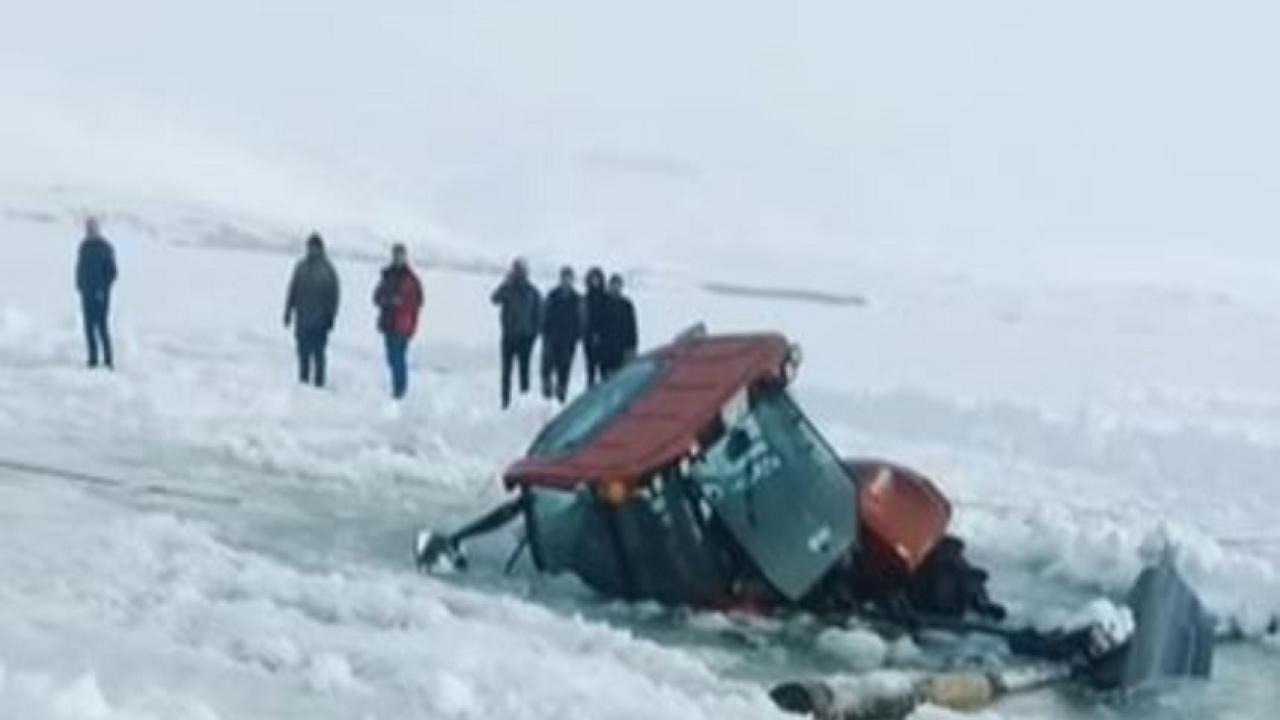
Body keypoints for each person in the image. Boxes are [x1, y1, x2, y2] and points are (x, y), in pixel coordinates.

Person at [283, 233, 340, 387]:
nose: (312, 250)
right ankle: (303, 383)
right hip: (302, 318)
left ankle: (319, 384)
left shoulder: (328, 270)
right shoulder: (301, 267)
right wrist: (288, 312)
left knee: (319, 354)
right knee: (302, 354)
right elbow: (292, 290)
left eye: (315, 247)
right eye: (310, 247)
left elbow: (334, 295)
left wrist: (331, 316)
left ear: (321, 248)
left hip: (320, 321)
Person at [372, 243, 424, 399]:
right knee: (391, 358)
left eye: (400, 255)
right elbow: (376, 297)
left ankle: (400, 389)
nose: (398, 258)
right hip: (389, 323)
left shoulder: (411, 279)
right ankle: (398, 386)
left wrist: (403, 305)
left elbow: (418, 301)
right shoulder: (387, 276)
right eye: (396, 255)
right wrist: (388, 301)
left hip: (403, 324)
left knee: (398, 357)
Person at [490, 258, 542, 409]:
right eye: (516, 270)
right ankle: (505, 402)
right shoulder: (508, 288)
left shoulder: (532, 292)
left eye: (521, 270)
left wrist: (534, 335)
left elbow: (539, 315)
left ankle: (523, 403)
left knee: (524, 373)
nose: (519, 273)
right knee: (506, 372)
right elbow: (494, 299)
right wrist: (505, 282)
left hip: (525, 339)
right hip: (508, 337)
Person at [75, 217, 118, 369]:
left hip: (100, 295)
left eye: (92, 228)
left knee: (102, 327)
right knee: (88, 328)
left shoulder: (105, 247)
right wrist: (79, 285)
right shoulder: (84, 247)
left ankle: (108, 360)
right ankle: (92, 359)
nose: (89, 231)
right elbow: (79, 268)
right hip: (86, 294)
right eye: (87, 228)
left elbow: (112, 272)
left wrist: (103, 289)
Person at [539, 266, 582, 403]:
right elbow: (543, 313)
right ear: (561, 279)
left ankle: (561, 395)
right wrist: (543, 330)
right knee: (547, 366)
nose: (566, 281)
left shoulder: (577, 298)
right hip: (551, 336)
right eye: (564, 278)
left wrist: (578, 335)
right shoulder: (552, 295)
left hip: (568, 339)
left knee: (564, 368)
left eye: (569, 278)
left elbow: (582, 318)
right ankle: (546, 393)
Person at [597, 273, 638, 379]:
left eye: (617, 285)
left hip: (621, 349)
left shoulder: (626, 305)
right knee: (605, 379)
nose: (615, 288)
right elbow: (597, 325)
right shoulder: (602, 303)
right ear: (609, 286)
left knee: (620, 378)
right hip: (605, 349)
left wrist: (632, 347)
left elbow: (632, 327)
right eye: (613, 285)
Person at [581, 267, 608, 387]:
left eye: (597, 279)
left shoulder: (606, 299)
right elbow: (583, 319)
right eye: (593, 279)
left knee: (604, 371)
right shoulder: (585, 299)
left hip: (605, 339)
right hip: (588, 338)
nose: (595, 281)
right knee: (590, 370)